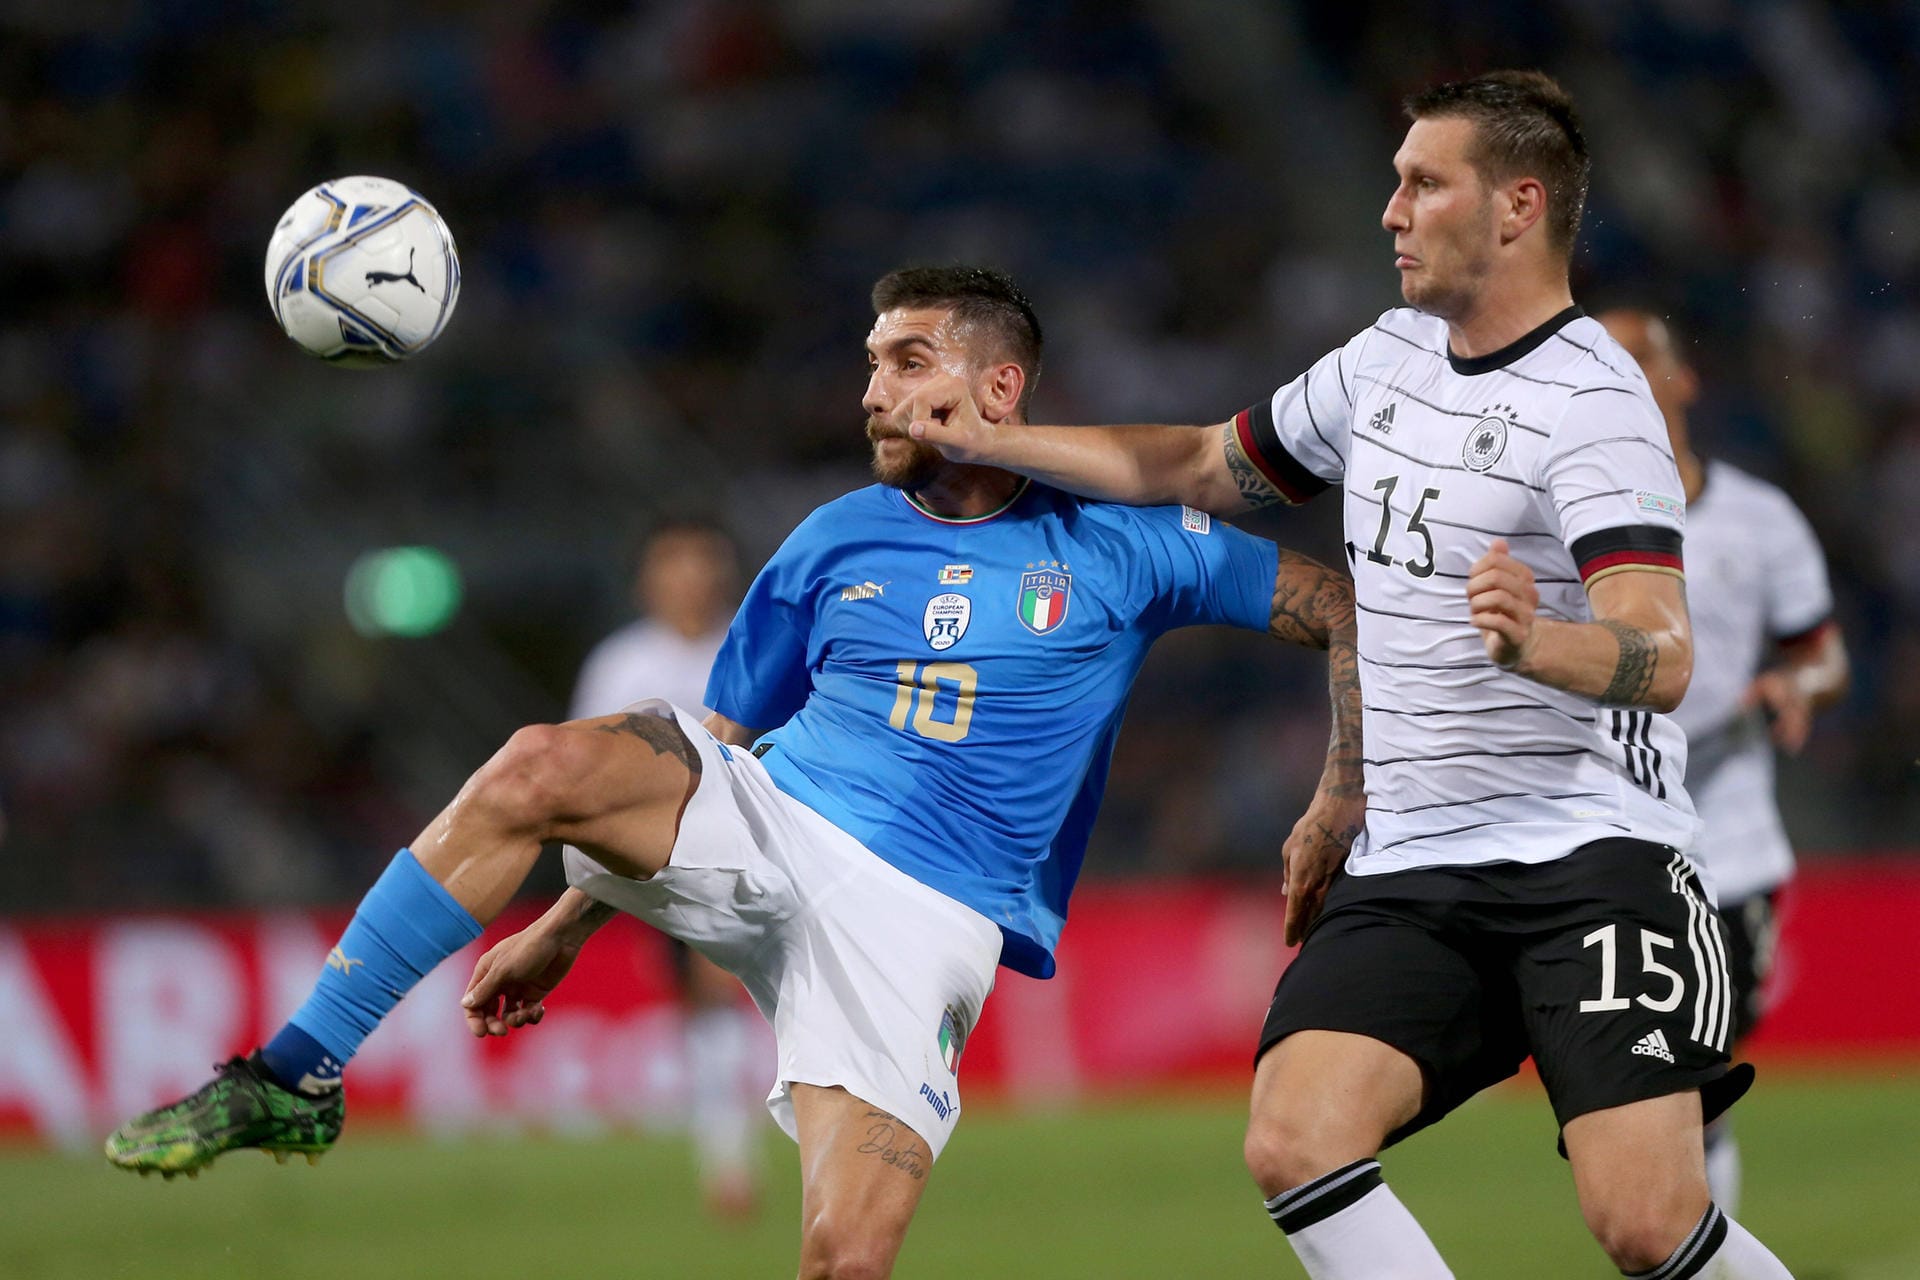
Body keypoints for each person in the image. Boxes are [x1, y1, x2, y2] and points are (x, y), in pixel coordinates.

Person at [105, 265, 1362, 1279]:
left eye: (908, 361)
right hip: (773, 819)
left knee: (844, 1254)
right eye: (870, 361)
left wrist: (1338, 790)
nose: (872, 388)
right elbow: (726, 740)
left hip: (925, 918)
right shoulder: (831, 539)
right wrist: (568, 916)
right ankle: (297, 1070)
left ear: (1000, 386)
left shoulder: (1132, 542)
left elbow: (1346, 605)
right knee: (543, 761)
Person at [901, 73, 1795, 1279]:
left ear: (1518, 206)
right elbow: (1207, 464)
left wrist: (1541, 641)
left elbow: (1662, 650)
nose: (1391, 210)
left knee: (1643, 1224)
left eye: (1424, 183)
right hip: (1419, 862)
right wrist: (995, 440)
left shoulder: (1595, 402)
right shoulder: (1385, 358)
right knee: (1294, 1134)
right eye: (1393, 181)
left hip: (1589, 859)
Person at [1598, 307, 1850, 1214]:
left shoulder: (1758, 520)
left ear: (1682, 379)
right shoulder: (1564, 524)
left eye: (1633, 360)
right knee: (1642, 1099)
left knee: (1688, 1087)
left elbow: (1822, 651)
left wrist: (1797, 688)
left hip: (1727, 847)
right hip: (1609, 841)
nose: (1614, 377)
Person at [570, 516, 768, 1218]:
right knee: (705, 1009)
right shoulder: (620, 667)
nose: (689, 580)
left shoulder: (754, 650)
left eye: (702, 564)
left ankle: (738, 1166)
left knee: (726, 997)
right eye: (673, 565)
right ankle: (728, 1158)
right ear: (648, 580)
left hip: (762, 850)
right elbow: (585, 775)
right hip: (659, 862)